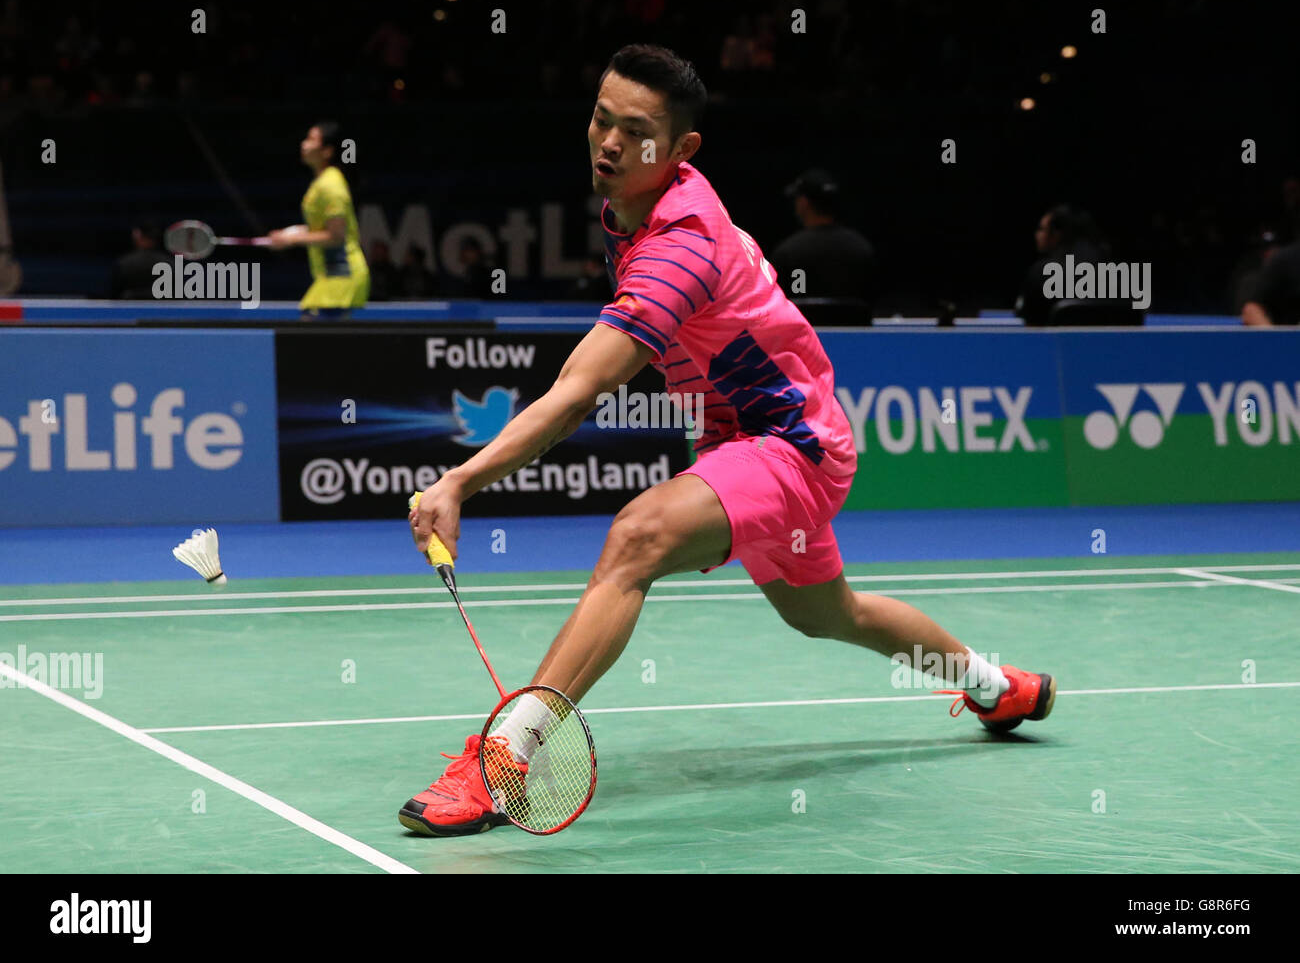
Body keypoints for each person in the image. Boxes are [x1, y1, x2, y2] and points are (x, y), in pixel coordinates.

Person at [401, 44, 1057, 838]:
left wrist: (460, 481)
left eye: (636, 132)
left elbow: (576, 393)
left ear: (681, 151)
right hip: (748, 444)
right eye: (601, 119)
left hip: (791, 444)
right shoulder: (631, 209)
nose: (610, 143)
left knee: (636, 537)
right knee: (830, 613)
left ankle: (505, 756)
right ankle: (997, 686)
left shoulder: (681, 245)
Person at [267, 121, 369, 316]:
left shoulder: (330, 186)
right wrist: (291, 232)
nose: (304, 144)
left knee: (309, 337)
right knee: (326, 343)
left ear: (327, 152)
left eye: (311, 140)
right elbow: (321, 228)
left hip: (341, 273)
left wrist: (292, 240)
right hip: (332, 274)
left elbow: (336, 235)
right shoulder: (322, 182)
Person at [769, 168, 875, 313]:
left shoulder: (789, 253)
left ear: (803, 203)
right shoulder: (862, 250)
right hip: (857, 336)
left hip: (805, 335)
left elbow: (785, 303)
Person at [1015, 204, 1106, 326]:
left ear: (1056, 234)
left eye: (1041, 229)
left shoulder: (1042, 273)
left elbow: (1026, 320)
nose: (1037, 235)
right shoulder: (1116, 273)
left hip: (1054, 345)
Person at [108, 221, 169, 299]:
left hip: (128, 311)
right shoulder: (171, 263)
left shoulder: (123, 264)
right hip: (162, 311)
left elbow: (113, 297)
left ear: (137, 235)